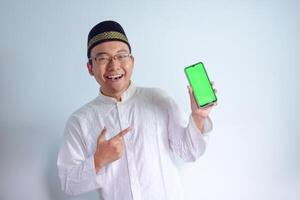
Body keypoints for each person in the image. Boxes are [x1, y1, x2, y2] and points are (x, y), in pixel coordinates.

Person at [57, 20, 216, 200]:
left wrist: (198, 117)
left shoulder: (159, 99)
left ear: (132, 61)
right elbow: (68, 183)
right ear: (90, 68)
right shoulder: (80, 121)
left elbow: (190, 152)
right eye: (102, 58)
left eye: (121, 55)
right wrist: (98, 160)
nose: (114, 65)